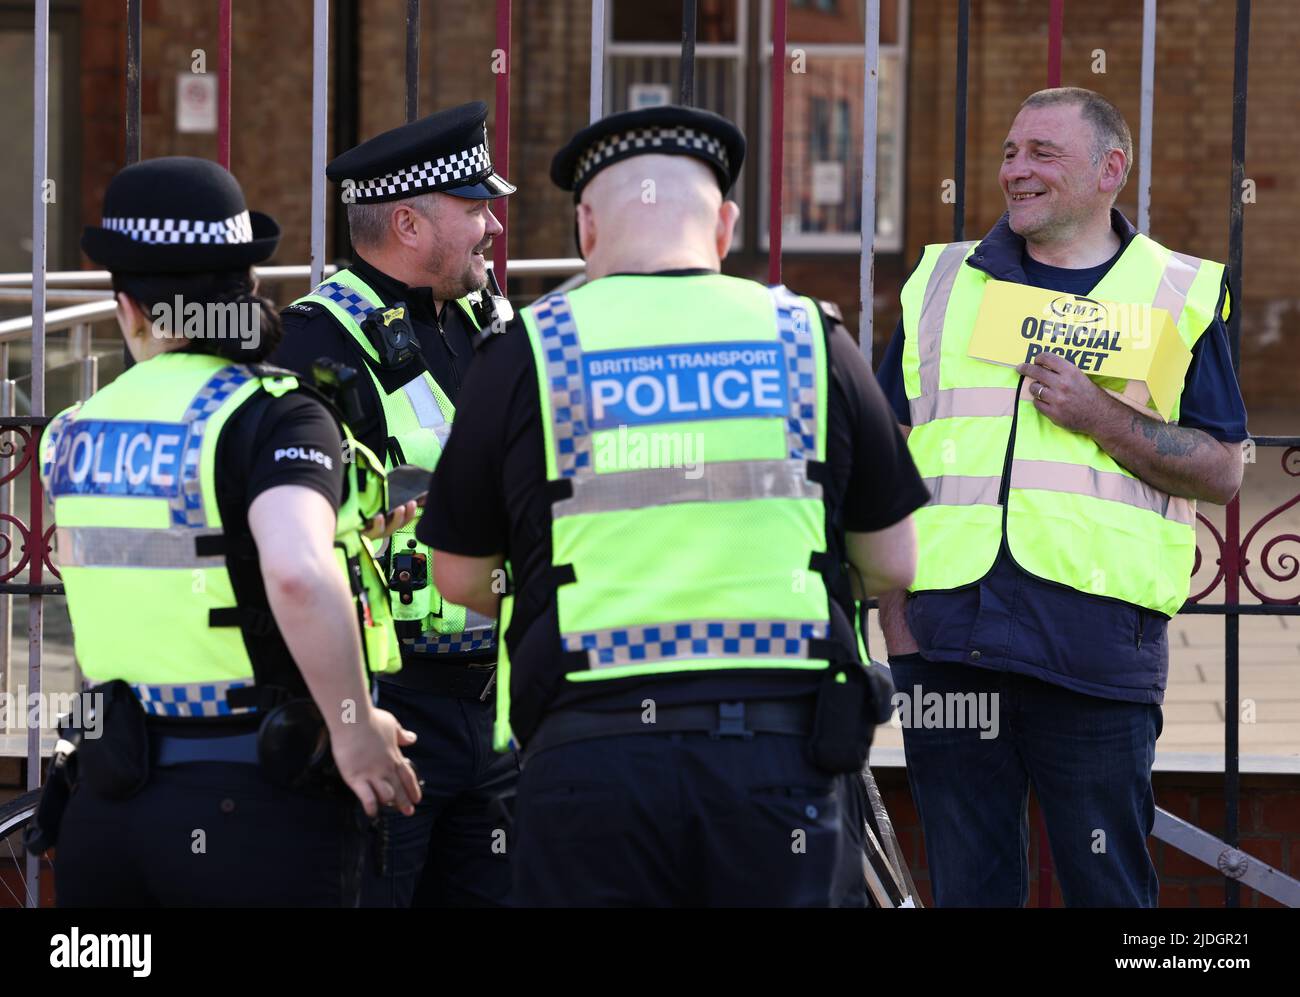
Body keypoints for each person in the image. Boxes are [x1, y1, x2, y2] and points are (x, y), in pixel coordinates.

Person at [420, 105, 929, 907]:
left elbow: (456, 574)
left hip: (591, 762)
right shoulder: (808, 339)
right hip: (777, 760)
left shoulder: (527, 353)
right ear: (724, 224)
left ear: (587, 226)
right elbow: (895, 559)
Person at [875, 87, 1249, 907]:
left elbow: (1223, 469)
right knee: (970, 889)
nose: (1016, 170)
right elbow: (882, 463)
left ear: (1111, 169)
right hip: (946, 648)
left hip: (1096, 651)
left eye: (1042, 153)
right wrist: (897, 621)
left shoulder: (1177, 293)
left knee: (1108, 890)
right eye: (1011, 152)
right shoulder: (940, 281)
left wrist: (1099, 415)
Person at [39, 156, 422, 907]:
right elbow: (296, 573)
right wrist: (352, 725)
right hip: (250, 806)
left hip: (106, 806)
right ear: (247, 285)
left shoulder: (71, 432)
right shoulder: (274, 413)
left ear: (127, 307)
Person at [273, 101, 518, 907]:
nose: (493, 227)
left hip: (500, 710)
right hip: (394, 708)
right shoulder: (317, 342)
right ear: (409, 224)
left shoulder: (490, 319)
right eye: (476, 208)